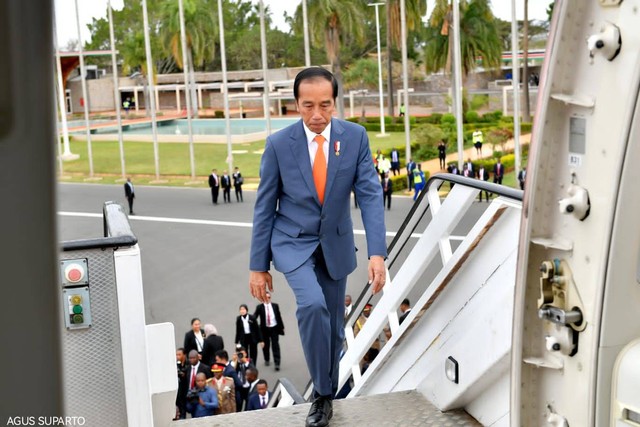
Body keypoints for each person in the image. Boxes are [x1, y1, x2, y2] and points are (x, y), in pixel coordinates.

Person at [248, 67, 387, 427]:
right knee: (311, 306)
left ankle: (325, 393)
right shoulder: (279, 145)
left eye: (325, 105)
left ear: (335, 103)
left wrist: (376, 253)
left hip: (335, 244)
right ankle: (321, 396)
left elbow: (370, 195)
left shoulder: (355, 138)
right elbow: (265, 206)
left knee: (333, 329)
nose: (317, 115)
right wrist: (258, 265)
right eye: (308, 106)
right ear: (296, 104)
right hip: (292, 242)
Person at [254, 292, 284, 371]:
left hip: (274, 328)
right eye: (266, 297)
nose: (267, 299)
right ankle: (267, 359)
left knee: (275, 345)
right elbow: (254, 317)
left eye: (269, 297)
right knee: (266, 345)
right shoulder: (259, 307)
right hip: (264, 329)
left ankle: (277, 363)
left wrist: (282, 327)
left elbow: (278, 316)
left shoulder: (275, 306)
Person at [175, 348, 189, 420]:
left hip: (185, 390)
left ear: (184, 355)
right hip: (179, 391)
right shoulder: (176, 365)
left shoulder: (188, 364)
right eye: (176, 355)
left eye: (179, 355)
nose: (177, 356)